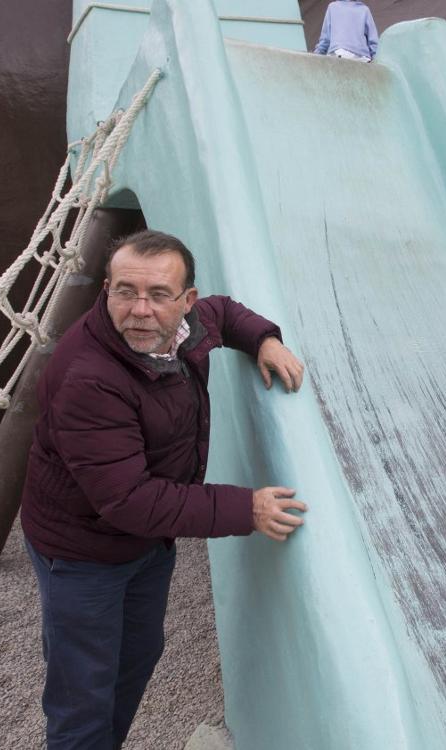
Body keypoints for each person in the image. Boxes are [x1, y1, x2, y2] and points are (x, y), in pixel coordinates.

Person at [19, 229, 308, 749]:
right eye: (125, 291)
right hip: (83, 550)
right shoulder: (89, 378)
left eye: (158, 295)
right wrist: (247, 507)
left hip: (145, 541)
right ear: (105, 289)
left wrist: (264, 338)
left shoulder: (189, 326)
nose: (140, 310)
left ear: (185, 301)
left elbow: (225, 312)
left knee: (136, 656)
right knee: (82, 692)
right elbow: (128, 499)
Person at [313, 0, 380, 62]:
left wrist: (314, 58)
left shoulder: (332, 7)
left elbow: (325, 41)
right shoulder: (364, 10)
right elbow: (373, 42)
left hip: (338, 54)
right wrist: (376, 61)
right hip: (361, 58)